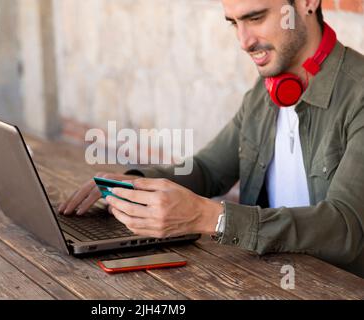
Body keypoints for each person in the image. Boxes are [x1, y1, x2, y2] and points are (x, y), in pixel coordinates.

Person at [59, 0, 364, 278]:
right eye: (233, 23)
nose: (244, 42)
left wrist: (214, 219)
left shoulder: (358, 95)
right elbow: (208, 170)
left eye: (255, 18)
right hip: (267, 280)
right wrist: (132, 185)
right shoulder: (264, 94)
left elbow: (346, 227)